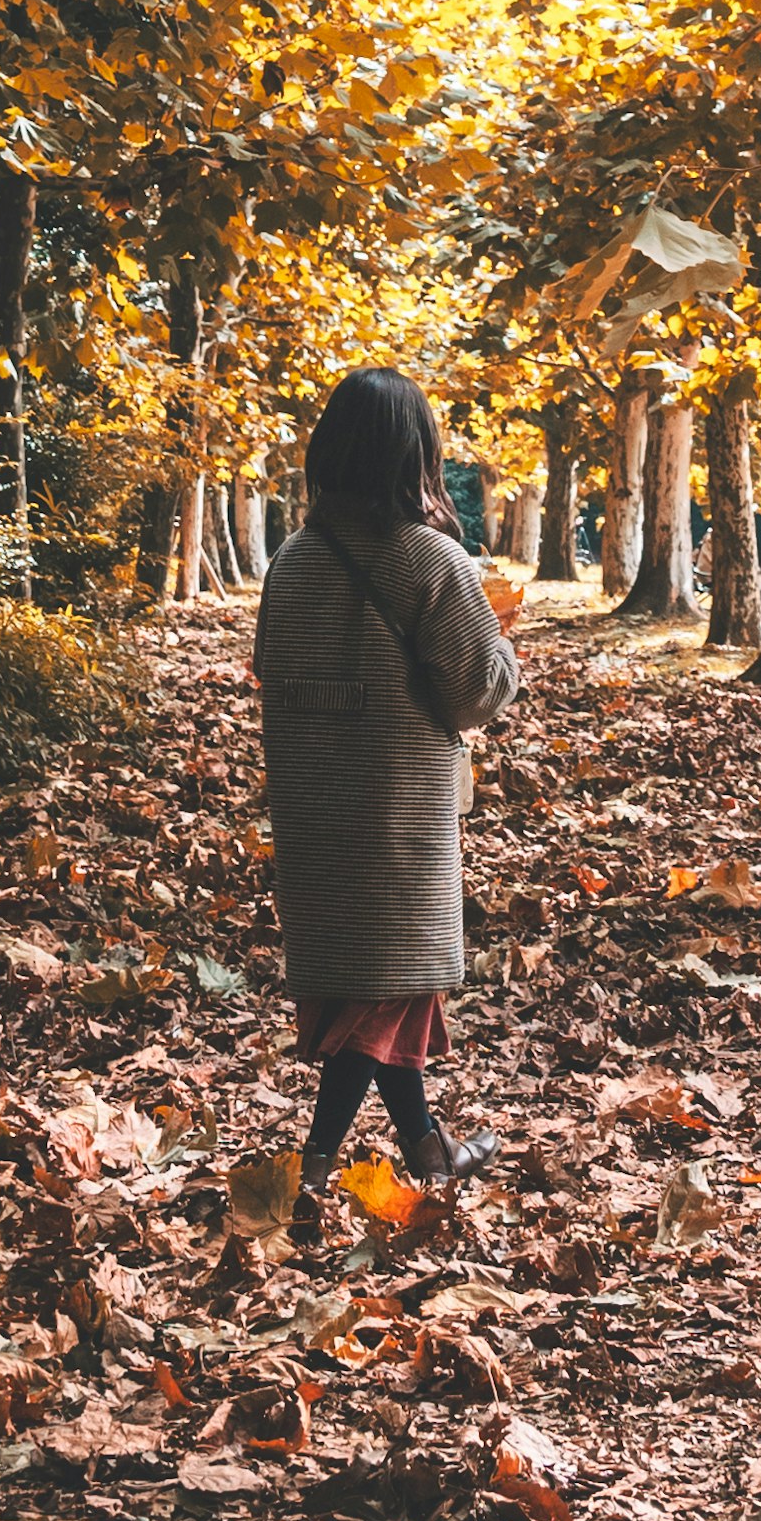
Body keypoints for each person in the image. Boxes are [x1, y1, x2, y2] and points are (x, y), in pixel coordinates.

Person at [254, 365, 521, 1239]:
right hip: (396, 814)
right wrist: (498, 647)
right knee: (383, 995)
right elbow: (480, 691)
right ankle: (314, 1172)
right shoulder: (429, 558)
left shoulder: (290, 563)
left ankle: (428, 1148)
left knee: (369, 989)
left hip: (313, 812)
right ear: (417, 454)